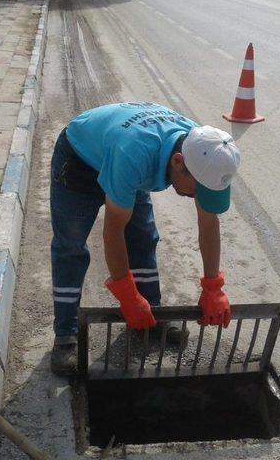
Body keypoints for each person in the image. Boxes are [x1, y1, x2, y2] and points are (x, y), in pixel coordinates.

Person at [49, 102, 241, 376]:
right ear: (177, 162)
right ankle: (65, 334)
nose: (200, 197)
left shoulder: (202, 148)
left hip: (129, 155)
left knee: (143, 237)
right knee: (71, 246)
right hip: (81, 160)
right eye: (199, 190)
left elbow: (208, 222)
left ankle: (150, 313)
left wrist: (214, 286)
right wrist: (126, 295)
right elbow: (113, 231)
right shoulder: (134, 155)